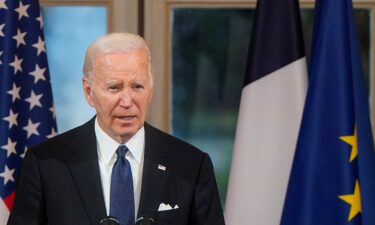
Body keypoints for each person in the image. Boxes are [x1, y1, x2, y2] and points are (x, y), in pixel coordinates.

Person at [7, 33, 225, 225]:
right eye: (114, 87)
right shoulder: (45, 163)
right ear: (89, 92)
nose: (127, 101)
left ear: (150, 89)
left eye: (137, 86)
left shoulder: (191, 165)